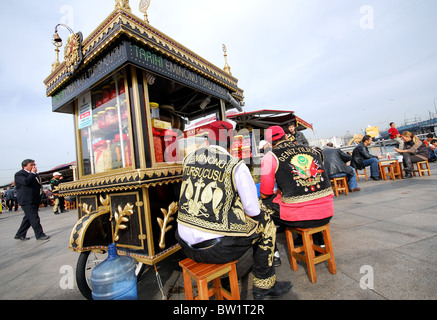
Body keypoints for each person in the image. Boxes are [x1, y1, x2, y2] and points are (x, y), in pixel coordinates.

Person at [176, 121, 292, 300]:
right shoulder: (235, 165)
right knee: (266, 223)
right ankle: (264, 287)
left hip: (183, 244)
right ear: (231, 144)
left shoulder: (188, 160)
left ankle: (222, 281)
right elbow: (252, 210)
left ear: (208, 142)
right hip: (215, 251)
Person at [260, 125, 334, 247]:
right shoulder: (312, 150)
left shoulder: (270, 157)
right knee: (309, 195)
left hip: (299, 217)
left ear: (269, 142)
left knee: (262, 206)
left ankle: (273, 254)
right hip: (327, 212)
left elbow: (265, 193)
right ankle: (320, 243)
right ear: (285, 136)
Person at [14, 159, 50, 241]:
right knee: (34, 217)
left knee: (28, 218)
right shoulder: (19, 174)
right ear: (25, 166)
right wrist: (33, 173)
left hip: (34, 199)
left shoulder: (34, 175)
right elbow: (26, 182)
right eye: (31, 165)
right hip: (26, 200)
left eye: (34, 164)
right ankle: (39, 234)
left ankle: (20, 234)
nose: (33, 166)